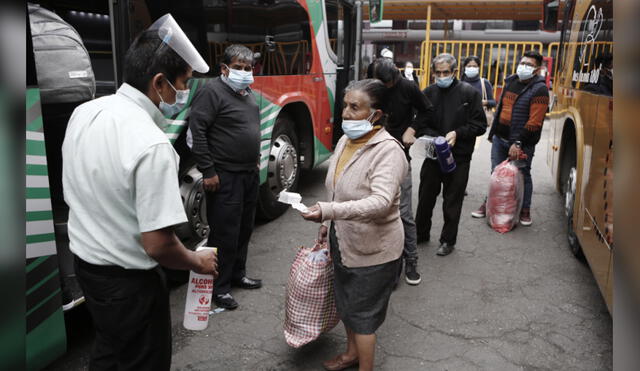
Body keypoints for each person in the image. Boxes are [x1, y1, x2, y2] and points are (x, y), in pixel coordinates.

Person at [62, 15, 218, 371]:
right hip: (129, 284)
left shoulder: (85, 112)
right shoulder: (151, 145)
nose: (185, 93)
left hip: (87, 268)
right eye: (184, 83)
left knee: (110, 351)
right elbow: (159, 245)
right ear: (159, 82)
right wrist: (198, 262)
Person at [301, 79, 407, 371]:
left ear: (376, 114)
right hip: (343, 239)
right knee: (347, 306)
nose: (346, 113)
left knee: (363, 317)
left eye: (355, 107)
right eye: (345, 106)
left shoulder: (388, 151)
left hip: (373, 250)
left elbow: (381, 202)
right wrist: (327, 223)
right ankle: (350, 355)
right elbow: (337, 185)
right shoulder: (346, 140)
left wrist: (329, 210)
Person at [188, 44, 263, 310]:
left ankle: (237, 274)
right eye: (239, 68)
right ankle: (219, 289)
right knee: (224, 233)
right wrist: (208, 171)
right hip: (224, 176)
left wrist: (254, 160)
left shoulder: (246, 93)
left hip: (247, 174)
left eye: (248, 68)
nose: (244, 72)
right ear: (224, 68)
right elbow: (197, 132)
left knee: (244, 227)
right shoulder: (212, 92)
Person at [370, 57, 435, 285]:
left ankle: (411, 260)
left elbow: (427, 110)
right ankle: (387, 263)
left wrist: (413, 128)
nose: (387, 87)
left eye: (390, 83)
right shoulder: (373, 87)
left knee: (404, 213)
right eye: (383, 84)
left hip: (400, 158)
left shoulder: (407, 86)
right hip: (375, 158)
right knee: (378, 212)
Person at [415, 53, 487, 256]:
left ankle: (448, 241)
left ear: (454, 72)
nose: (442, 76)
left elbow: (480, 125)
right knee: (425, 198)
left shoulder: (469, 93)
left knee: (452, 201)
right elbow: (420, 124)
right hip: (432, 155)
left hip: (459, 157)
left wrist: (457, 133)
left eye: (446, 72)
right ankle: (421, 234)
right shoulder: (428, 93)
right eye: (438, 73)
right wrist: (434, 137)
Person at [471, 50, 550, 226]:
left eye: (529, 65)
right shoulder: (511, 82)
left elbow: (534, 122)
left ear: (537, 70)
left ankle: (525, 210)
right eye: (522, 63)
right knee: (496, 174)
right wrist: (493, 133)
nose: (523, 67)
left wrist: (519, 143)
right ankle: (490, 204)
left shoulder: (540, 89)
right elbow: (500, 109)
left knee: (522, 174)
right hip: (500, 138)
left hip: (521, 142)